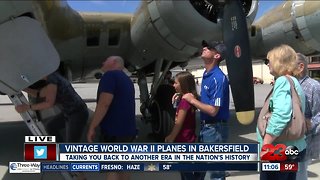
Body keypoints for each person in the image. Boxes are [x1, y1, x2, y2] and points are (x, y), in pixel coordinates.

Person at [258, 45, 306, 180]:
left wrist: (266, 145)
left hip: (279, 150)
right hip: (294, 148)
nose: (268, 64)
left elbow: (281, 115)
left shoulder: (282, 81)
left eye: (270, 60)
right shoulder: (294, 82)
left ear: (279, 61)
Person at [182, 40, 230, 180]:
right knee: (201, 169)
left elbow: (213, 110)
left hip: (215, 130)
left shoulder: (218, 78)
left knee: (214, 173)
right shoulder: (206, 74)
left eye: (209, 48)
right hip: (207, 129)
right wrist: (187, 96)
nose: (204, 48)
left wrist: (192, 100)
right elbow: (206, 100)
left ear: (217, 56)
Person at [87, 56, 136, 180]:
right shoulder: (126, 79)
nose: (103, 62)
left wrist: (92, 126)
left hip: (113, 131)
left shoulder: (110, 76)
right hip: (128, 130)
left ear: (114, 62)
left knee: (112, 168)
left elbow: (104, 103)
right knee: (123, 166)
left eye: (106, 60)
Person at [15, 72, 88, 143]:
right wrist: (22, 88)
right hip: (68, 112)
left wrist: (28, 107)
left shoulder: (52, 80)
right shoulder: (52, 77)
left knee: (71, 144)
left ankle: (66, 152)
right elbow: (38, 94)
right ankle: (60, 149)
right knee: (50, 127)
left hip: (77, 113)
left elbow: (49, 103)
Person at [165, 71, 198, 180]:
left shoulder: (185, 102)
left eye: (175, 83)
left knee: (185, 171)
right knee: (185, 170)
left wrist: (171, 137)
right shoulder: (188, 99)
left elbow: (179, 123)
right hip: (188, 139)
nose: (173, 85)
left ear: (183, 84)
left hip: (183, 141)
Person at [295, 53, 320, 180]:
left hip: (304, 143)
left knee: (299, 174)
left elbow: (319, 114)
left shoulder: (313, 87)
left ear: (300, 67)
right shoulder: (288, 83)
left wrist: (306, 125)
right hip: (289, 142)